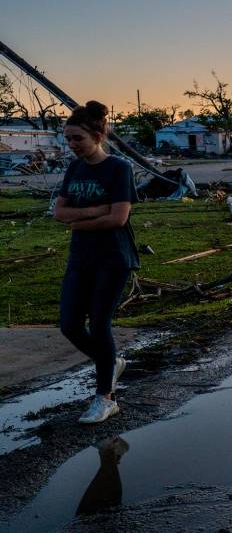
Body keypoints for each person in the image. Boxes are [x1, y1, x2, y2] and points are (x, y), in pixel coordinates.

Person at [54, 101, 140, 424]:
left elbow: (118, 219)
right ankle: (111, 362)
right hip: (81, 257)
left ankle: (106, 398)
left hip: (113, 259)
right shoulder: (74, 169)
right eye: (68, 139)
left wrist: (77, 221)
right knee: (70, 325)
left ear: (98, 135)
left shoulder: (119, 169)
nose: (72, 145)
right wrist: (92, 213)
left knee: (99, 325)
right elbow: (59, 214)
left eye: (77, 139)